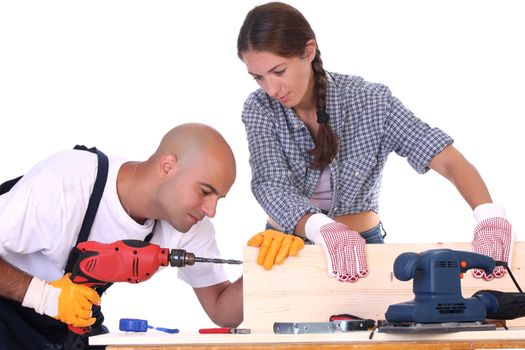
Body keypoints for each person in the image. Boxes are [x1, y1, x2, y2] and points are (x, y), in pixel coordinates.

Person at [237, 2, 512, 283]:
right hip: (286, 245)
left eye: (279, 71)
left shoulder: (370, 101)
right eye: (258, 77)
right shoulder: (259, 108)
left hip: (363, 246)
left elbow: (445, 158)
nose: (271, 89)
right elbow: (270, 184)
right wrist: (321, 226)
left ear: (309, 51)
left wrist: (488, 214)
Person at [0, 123, 242, 349]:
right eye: (204, 191)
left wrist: (268, 267)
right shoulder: (66, 182)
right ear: (168, 167)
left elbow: (222, 312)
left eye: (218, 199)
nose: (211, 210)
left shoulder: (190, 225)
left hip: (66, 327)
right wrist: (46, 297)